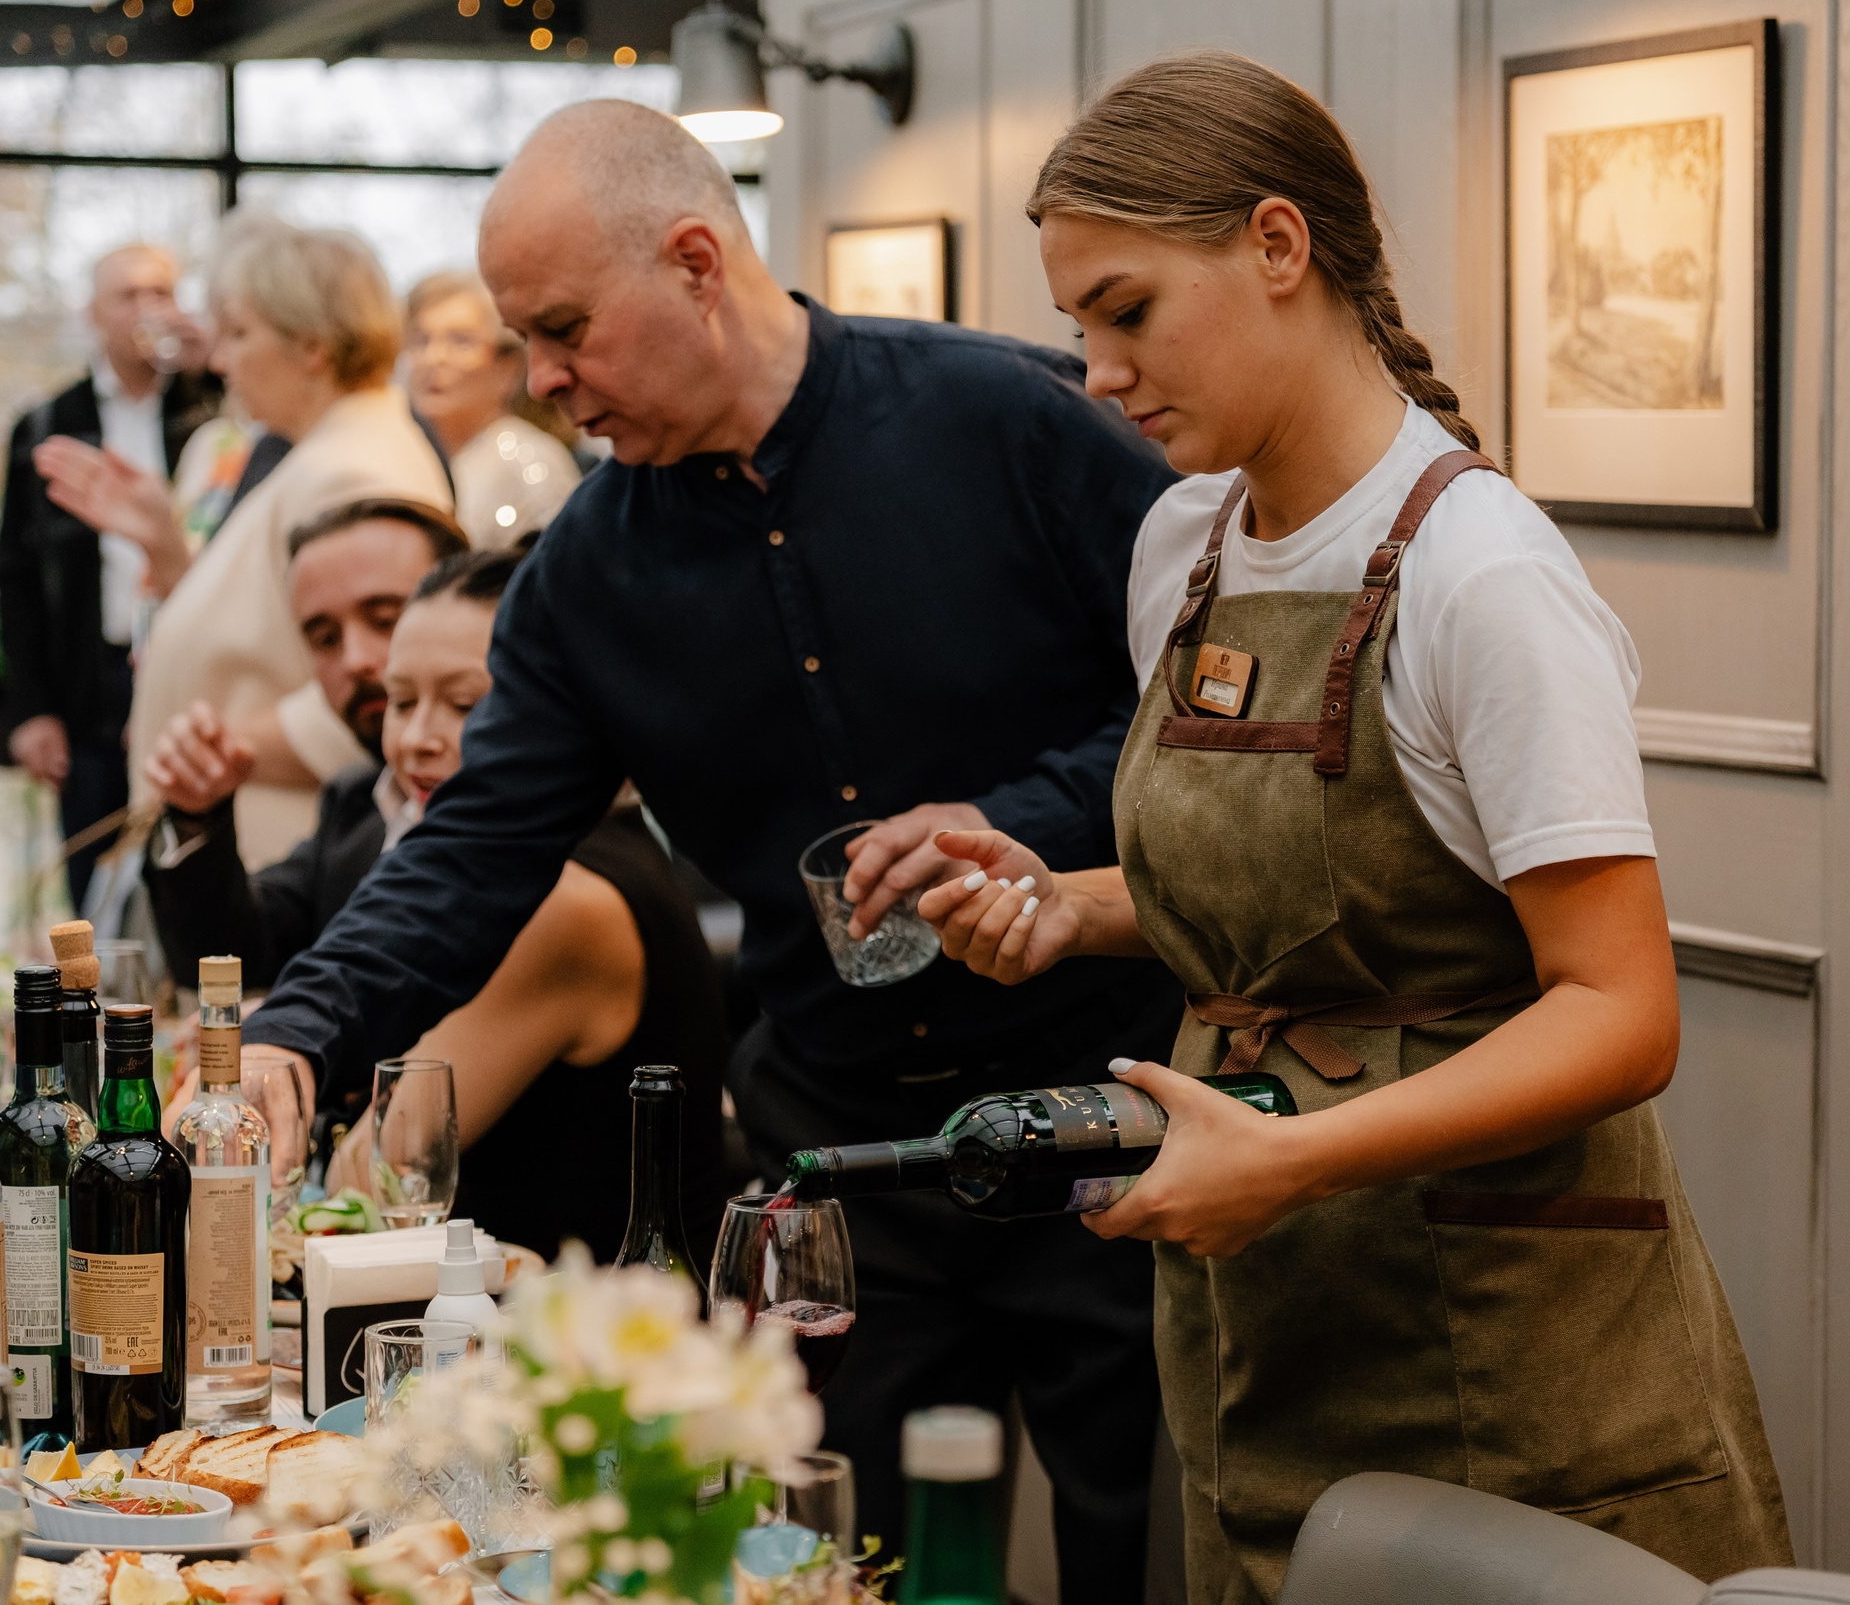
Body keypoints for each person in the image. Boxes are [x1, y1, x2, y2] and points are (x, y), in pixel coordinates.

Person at [222, 98, 1179, 1604]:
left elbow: (1197, 704)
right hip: (847, 1167)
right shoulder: (586, 579)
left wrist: (1023, 827)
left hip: (1112, 1115)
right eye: (524, 341)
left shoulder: (1009, 420)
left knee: (1144, 1565)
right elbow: (473, 845)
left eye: (563, 330)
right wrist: (302, 1022)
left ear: (693, 262)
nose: (541, 381)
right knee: (832, 1571)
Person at [916, 51, 1792, 1597]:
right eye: (1079, 328)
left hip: (1503, 1342)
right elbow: (1321, 904)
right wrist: (1074, 906)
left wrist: (1298, 1158)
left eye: (1128, 312)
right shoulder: (1184, 545)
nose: (1099, 373)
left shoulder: (1483, 575)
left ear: (1277, 244)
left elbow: (1620, 1008)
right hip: (1267, 1324)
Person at [149, 515, 723, 1259]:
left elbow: (373, 1173)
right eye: (401, 700)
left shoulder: (569, 899)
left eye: (467, 705)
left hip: (582, 1316)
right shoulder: (378, 812)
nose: (418, 736)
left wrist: (288, 1063)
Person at [123, 212, 454, 867]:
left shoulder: (356, 469)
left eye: (240, 334)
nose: (221, 360)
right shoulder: (322, 454)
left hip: (285, 860)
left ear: (312, 347)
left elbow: (383, 691)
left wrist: (205, 753)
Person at [142, 498, 472, 990]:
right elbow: (227, 957)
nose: (356, 660)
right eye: (325, 639)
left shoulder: (545, 825)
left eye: (386, 620)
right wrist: (194, 816)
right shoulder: (358, 805)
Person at [0, 243, 217, 905]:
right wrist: (31, 710)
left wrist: (214, 367)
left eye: (162, 292)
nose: (149, 309)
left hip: (193, 671)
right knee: (94, 879)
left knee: (194, 873)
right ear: (94, 313)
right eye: (129, 295)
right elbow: (16, 577)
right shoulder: (48, 425)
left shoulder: (211, 411)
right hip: (92, 681)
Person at [403, 270, 583, 545]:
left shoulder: (527, 465)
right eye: (421, 340)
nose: (433, 358)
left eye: (460, 341)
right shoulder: (416, 456)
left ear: (507, 369)